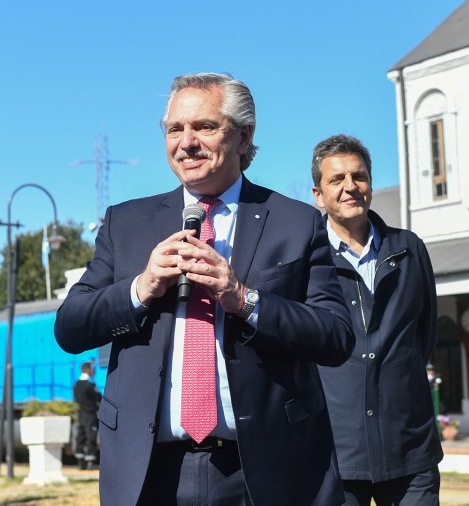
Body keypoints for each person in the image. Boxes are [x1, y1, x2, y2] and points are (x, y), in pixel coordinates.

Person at [55, 72, 354, 506]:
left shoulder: (295, 222)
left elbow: (336, 336)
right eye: (174, 129)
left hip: (263, 472)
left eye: (205, 127)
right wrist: (142, 287)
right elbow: (70, 328)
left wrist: (245, 300)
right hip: (148, 474)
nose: (187, 142)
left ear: (243, 136)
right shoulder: (126, 223)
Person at [311, 134, 443, 505]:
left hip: (410, 448)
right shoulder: (306, 258)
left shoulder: (409, 249)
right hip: (334, 453)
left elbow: (425, 334)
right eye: (337, 179)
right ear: (318, 194)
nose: (350, 186)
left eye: (359, 176)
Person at [72, 360, 101, 470]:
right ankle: (90, 463)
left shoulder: (76, 385)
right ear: (88, 370)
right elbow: (99, 398)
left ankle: (80, 463)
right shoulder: (90, 385)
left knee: (80, 437)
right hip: (90, 415)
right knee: (91, 437)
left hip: (80, 415)